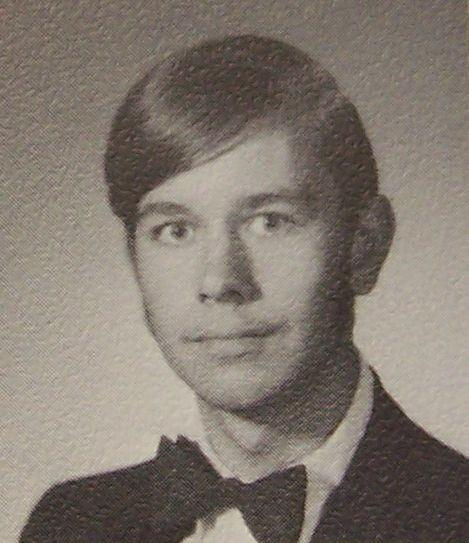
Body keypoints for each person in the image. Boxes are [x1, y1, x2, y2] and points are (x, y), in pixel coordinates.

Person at [20, 34, 468, 543]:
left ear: (364, 245)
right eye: (175, 230)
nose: (221, 282)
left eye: (270, 222)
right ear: (135, 261)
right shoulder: (67, 523)